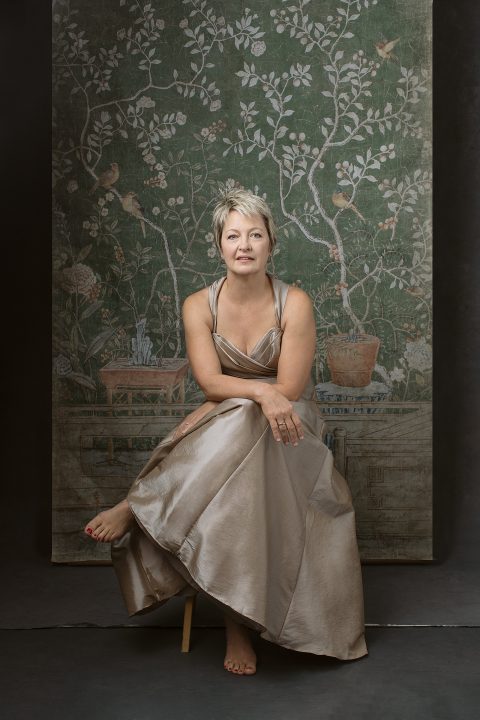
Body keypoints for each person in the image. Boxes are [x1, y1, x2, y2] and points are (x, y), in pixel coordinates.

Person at [84, 188, 368, 675]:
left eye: (255, 234)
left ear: (270, 244)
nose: (244, 245)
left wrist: (266, 396)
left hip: (291, 424)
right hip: (231, 416)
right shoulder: (199, 304)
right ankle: (237, 624)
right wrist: (258, 393)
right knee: (241, 418)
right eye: (233, 235)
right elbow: (210, 383)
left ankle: (140, 501)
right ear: (219, 246)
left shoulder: (294, 302)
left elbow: (291, 387)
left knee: (248, 419)